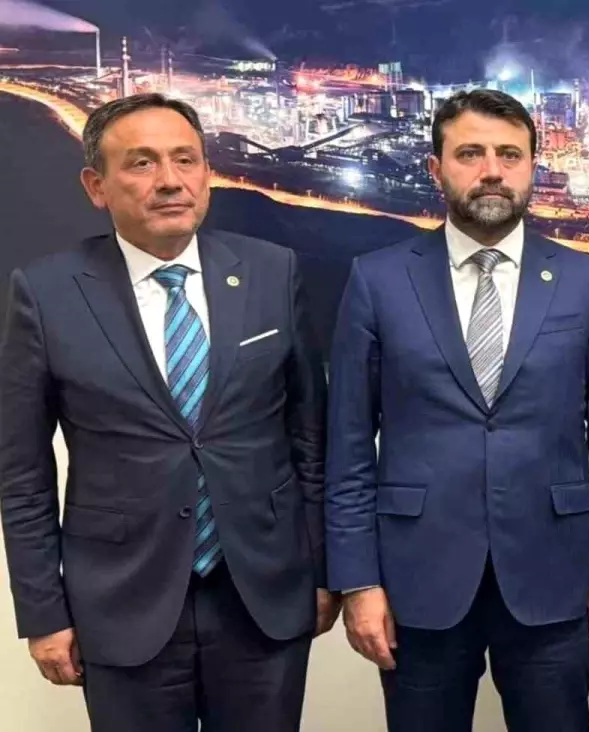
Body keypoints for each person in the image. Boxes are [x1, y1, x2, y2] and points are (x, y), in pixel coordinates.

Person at [0, 93, 337, 731]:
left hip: (261, 594)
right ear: (96, 186)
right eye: (142, 163)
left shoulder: (272, 271)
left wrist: (323, 571)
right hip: (121, 598)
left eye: (186, 159)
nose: (170, 181)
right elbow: (23, 474)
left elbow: (309, 437)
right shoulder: (46, 293)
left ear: (206, 173)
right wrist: (42, 612)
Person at [324, 88, 589, 732]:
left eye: (509, 155)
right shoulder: (378, 280)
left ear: (532, 167)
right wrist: (357, 581)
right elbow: (349, 444)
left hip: (554, 575)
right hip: (419, 579)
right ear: (436, 168)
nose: (492, 170)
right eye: (470, 153)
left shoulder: (587, 281)